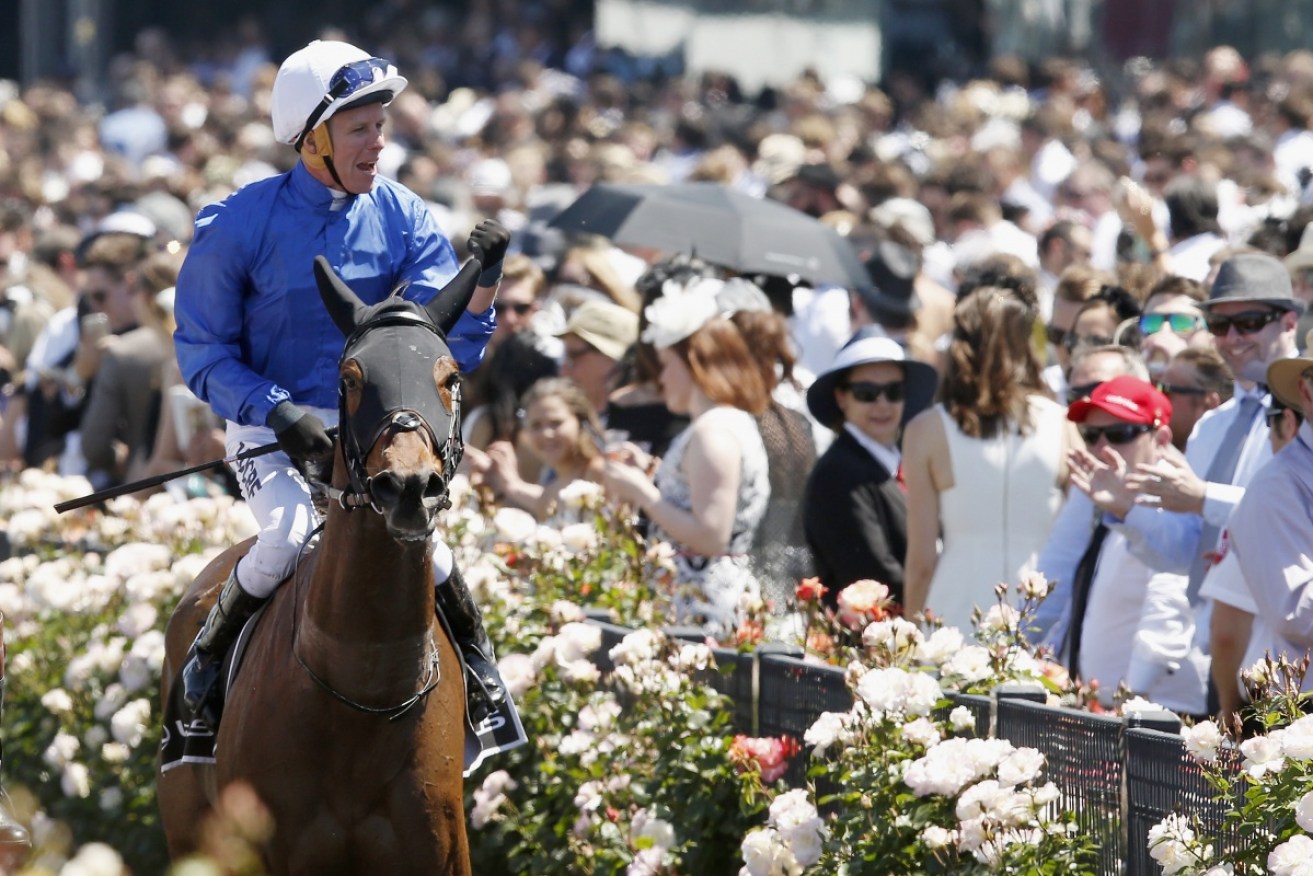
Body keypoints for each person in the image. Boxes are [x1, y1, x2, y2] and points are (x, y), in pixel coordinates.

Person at [172, 40, 511, 729]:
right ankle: (203, 674)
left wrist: (485, 283)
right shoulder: (238, 223)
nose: (377, 143)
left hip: (376, 435)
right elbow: (202, 354)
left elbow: (446, 351)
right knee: (288, 536)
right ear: (312, 137)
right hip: (270, 428)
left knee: (432, 552)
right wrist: (275, 408)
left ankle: (481, 679)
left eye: (381, 126)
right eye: (360, 128)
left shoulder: (404, 215)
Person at [903, 284, 1080, 635]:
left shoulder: (926, 430)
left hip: (954, 610)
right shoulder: (1064, 424)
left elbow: (921, 559)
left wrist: (907, 630)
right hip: (1040, 608)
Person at [600, 281, 771, 636]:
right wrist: (652, 476)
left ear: (693, 363)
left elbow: (711, 535)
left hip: (703, 610)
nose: (661, 379)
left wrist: (642, 493)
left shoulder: (714, 432)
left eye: (666, 365)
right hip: (698, 600)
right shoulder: (723, 423)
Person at [1059, 377, 1209, 716]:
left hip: (1158, 718)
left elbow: (1168, 610)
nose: (1102, 448)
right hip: (1118, 713)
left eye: (1120, 434)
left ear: (1162, 438)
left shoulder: (1168, 503)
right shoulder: (1120, 500)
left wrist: (1127, 702)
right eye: (1091, 436)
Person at [802, 333, 937, 607]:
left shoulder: (903, 459)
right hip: (869, 640)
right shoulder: (838, 474)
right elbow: (874, 575)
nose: (883, 404)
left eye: (894, 392)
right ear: (842, 398)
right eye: (867, 393)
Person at [466, 377, 605, 522]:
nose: (546, 434)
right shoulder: (552, 489)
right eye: (536, 426)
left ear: (580, 420)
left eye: (556, 423)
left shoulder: (598, 472)